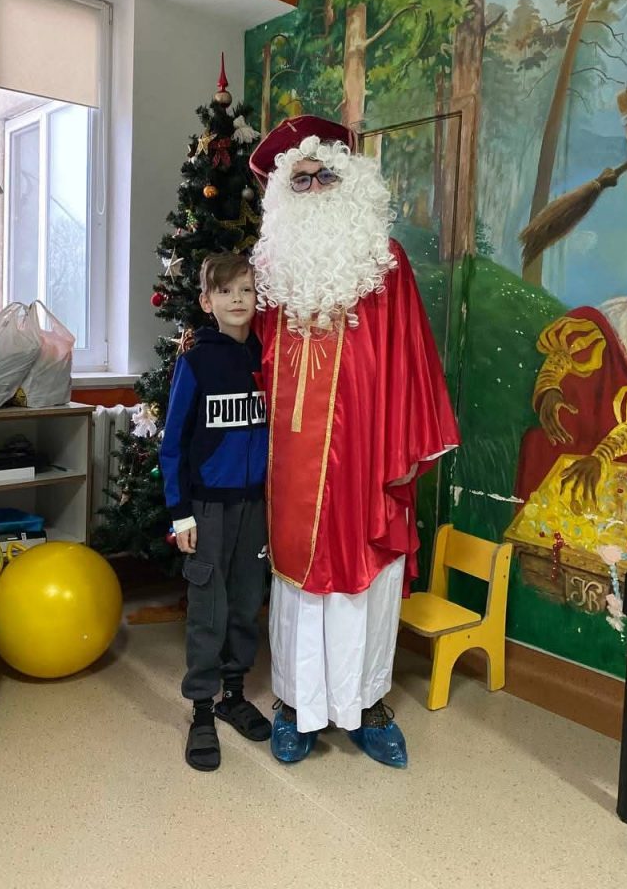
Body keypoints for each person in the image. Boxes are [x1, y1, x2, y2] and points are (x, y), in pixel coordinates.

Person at [248, 116, 459, 767]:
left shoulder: (384, 263)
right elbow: (254, 360)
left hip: (369, 455)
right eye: (300, 180)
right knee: (299, 589)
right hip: (293, 461)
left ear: (351, 183)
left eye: (325, 177)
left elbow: (412, 359)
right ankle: (296, 707)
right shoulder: (272, 271)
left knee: (366, 584)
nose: (313, 189)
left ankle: (366, 707)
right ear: (283, 193)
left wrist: (405, 449)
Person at [159, 252, 271, 772]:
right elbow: (173, 445)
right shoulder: (196, 361)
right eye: (225, 291)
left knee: (246, 601)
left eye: (246, 290)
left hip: (254, 505)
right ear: (207, 302)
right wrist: (180, 513)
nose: (237, 299)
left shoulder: (268, 357)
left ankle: (233, 694)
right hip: (206, 508)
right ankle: (202, 709)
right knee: (209, 607)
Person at [516, 234, 627, 508]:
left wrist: (601, 456)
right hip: (587, 432)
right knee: (542, 445)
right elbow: (567, 355)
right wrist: (549, 388)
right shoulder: (606, 328)